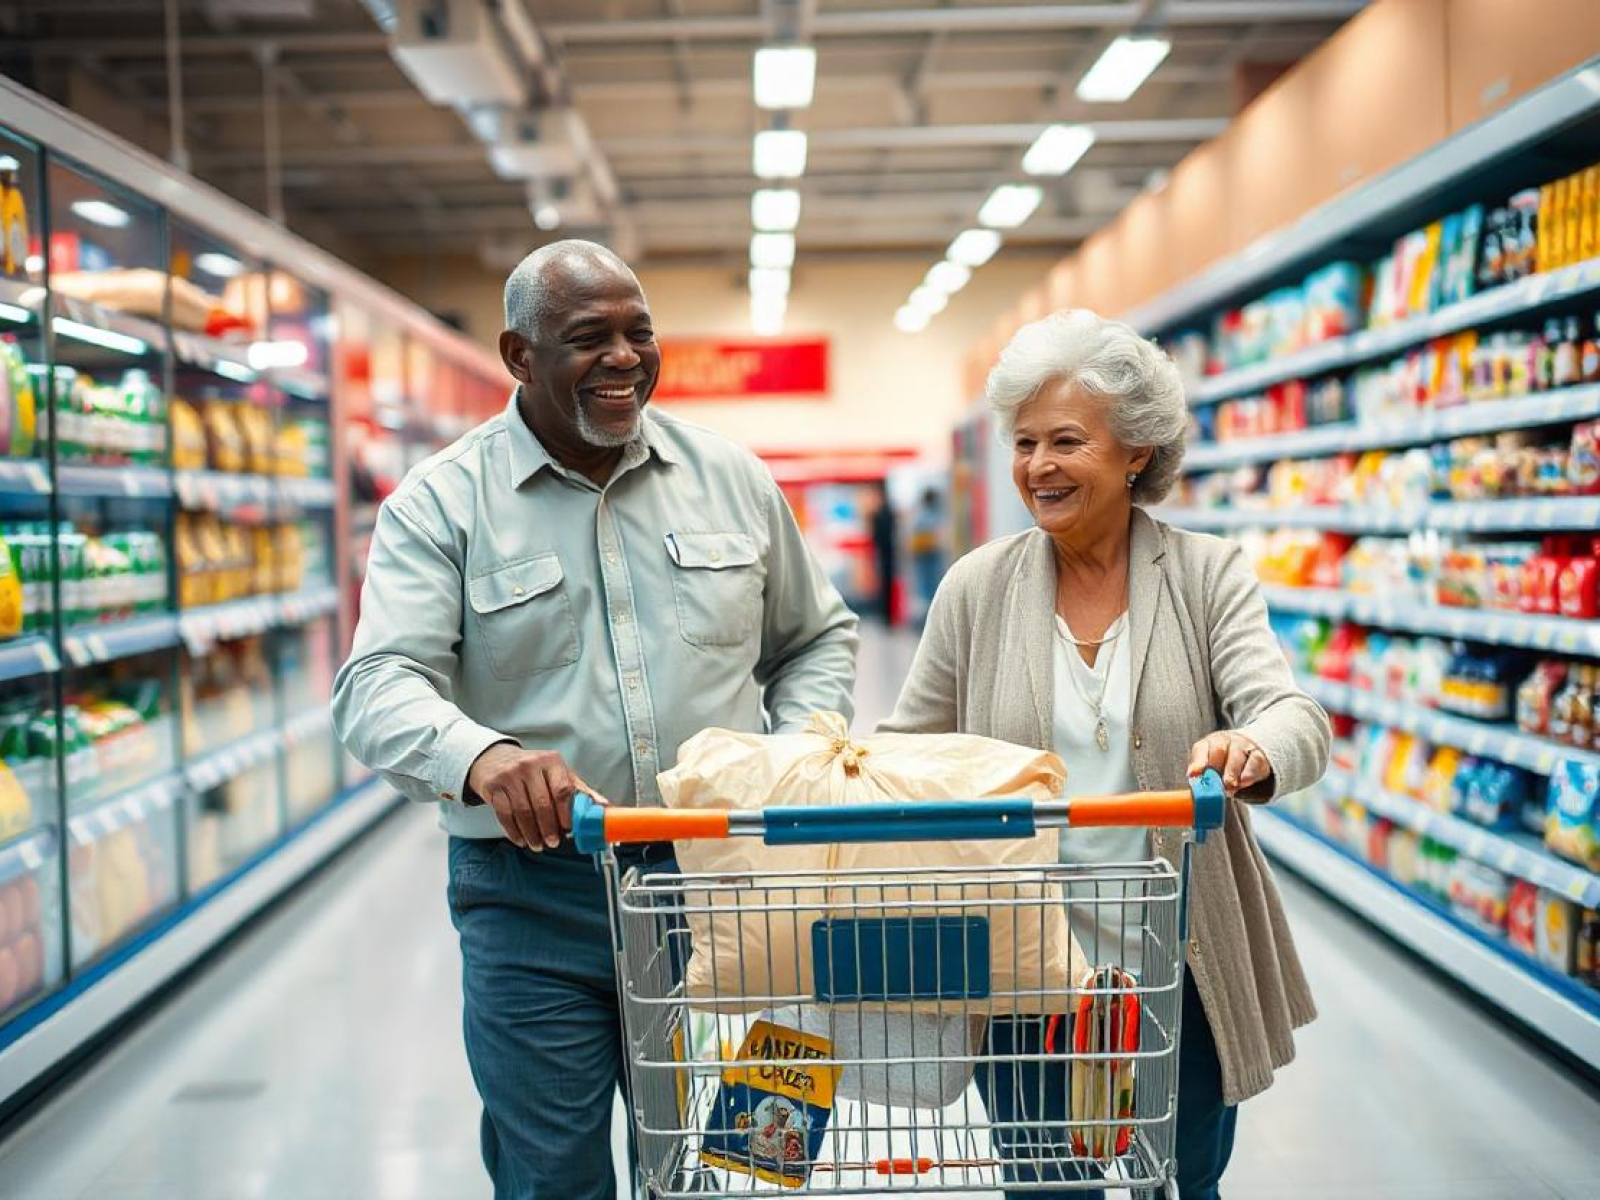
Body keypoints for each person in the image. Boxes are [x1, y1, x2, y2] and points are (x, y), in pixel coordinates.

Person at [331, 240, 859, 1200]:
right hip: (532, 899)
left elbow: (815, 640)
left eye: (639, 333)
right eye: (589, 338)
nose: (625, 358)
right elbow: (376, 682)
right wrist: (481, 755)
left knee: (744, 1165)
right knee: (553, 1173)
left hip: (730, 890)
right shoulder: (442, 504)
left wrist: (789, 760)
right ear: (518, 355)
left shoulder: (731, 478)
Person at [880, 309, 1330, 1200]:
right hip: (1029, 969)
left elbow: (1293, 713)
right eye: (1024, 443)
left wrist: (1253, 744)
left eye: (1066, 442)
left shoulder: (1206, 575)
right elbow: (906, 748)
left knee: (1186, 1179)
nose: (1038, 467)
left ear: (1135, 453)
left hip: (1181, 962)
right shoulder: (977, 587)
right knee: (1048, 1186)